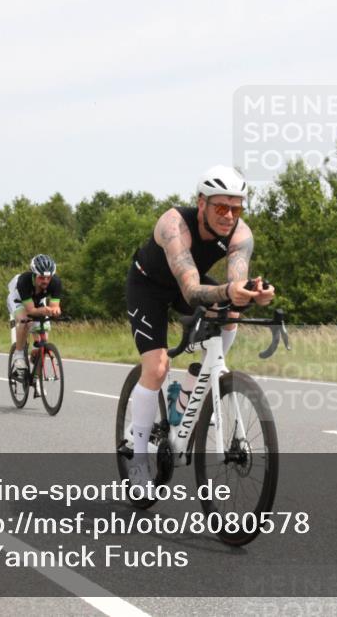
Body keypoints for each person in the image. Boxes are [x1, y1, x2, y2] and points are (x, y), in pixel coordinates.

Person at [125, 165, 275, 486]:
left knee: (232, 310)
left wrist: (251, 293)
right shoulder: (174, 225)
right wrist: (230, 292)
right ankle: (138, 457)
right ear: (202, 203)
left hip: (189, 287)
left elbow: (235, 282)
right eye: (221, 207)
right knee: (157, 367)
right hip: (149, 286)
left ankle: (195, 381)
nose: (229, 216)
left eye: (236, 208)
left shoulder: (241, 234)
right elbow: (192, 290)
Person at [7, 254, 63, 371]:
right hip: (18, 300)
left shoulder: (56, 282)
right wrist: (44, 311)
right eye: (41, 277)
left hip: (37, 300)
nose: (45, 281)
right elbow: (31, 310)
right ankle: (18, 355)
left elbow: (54, 306)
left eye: (48, 278)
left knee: (44, 334)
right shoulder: (24, 281)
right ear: (34, 274)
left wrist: (55, 311)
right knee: (25, 321)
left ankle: (37, 379)